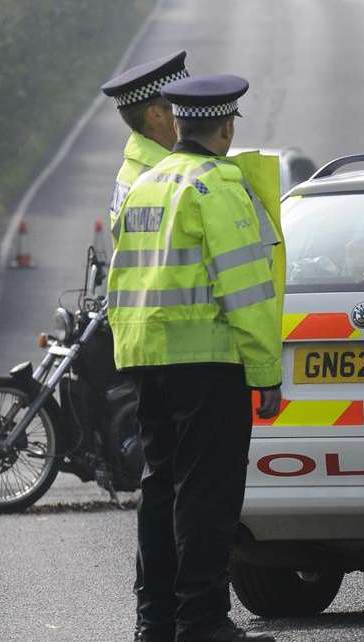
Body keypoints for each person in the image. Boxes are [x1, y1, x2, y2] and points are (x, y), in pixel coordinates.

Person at [107, 73, 282, 642]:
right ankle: (202, 620)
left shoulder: (145, 182)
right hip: (208, 361)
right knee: (208, 495)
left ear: (177, 122)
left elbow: (121, 275)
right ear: (226, 127)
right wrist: (266, 371)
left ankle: (154, 621)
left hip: (147, 359)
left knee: (160, 490)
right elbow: (247, 289)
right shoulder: (218, 184)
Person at [101, 52, 191, 642]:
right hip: (175, 344)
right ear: (158, 113)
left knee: (164, 483)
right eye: (181, 107)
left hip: (150, 343)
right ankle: (170, 615)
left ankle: (159, 617)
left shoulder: (140, 168)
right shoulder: (159, 175)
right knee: (175, 487)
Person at [101, 51, 189, 247]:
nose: (192, 112)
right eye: (183, 104)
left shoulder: (136, 167)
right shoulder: (163, 178)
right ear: (156, 115)